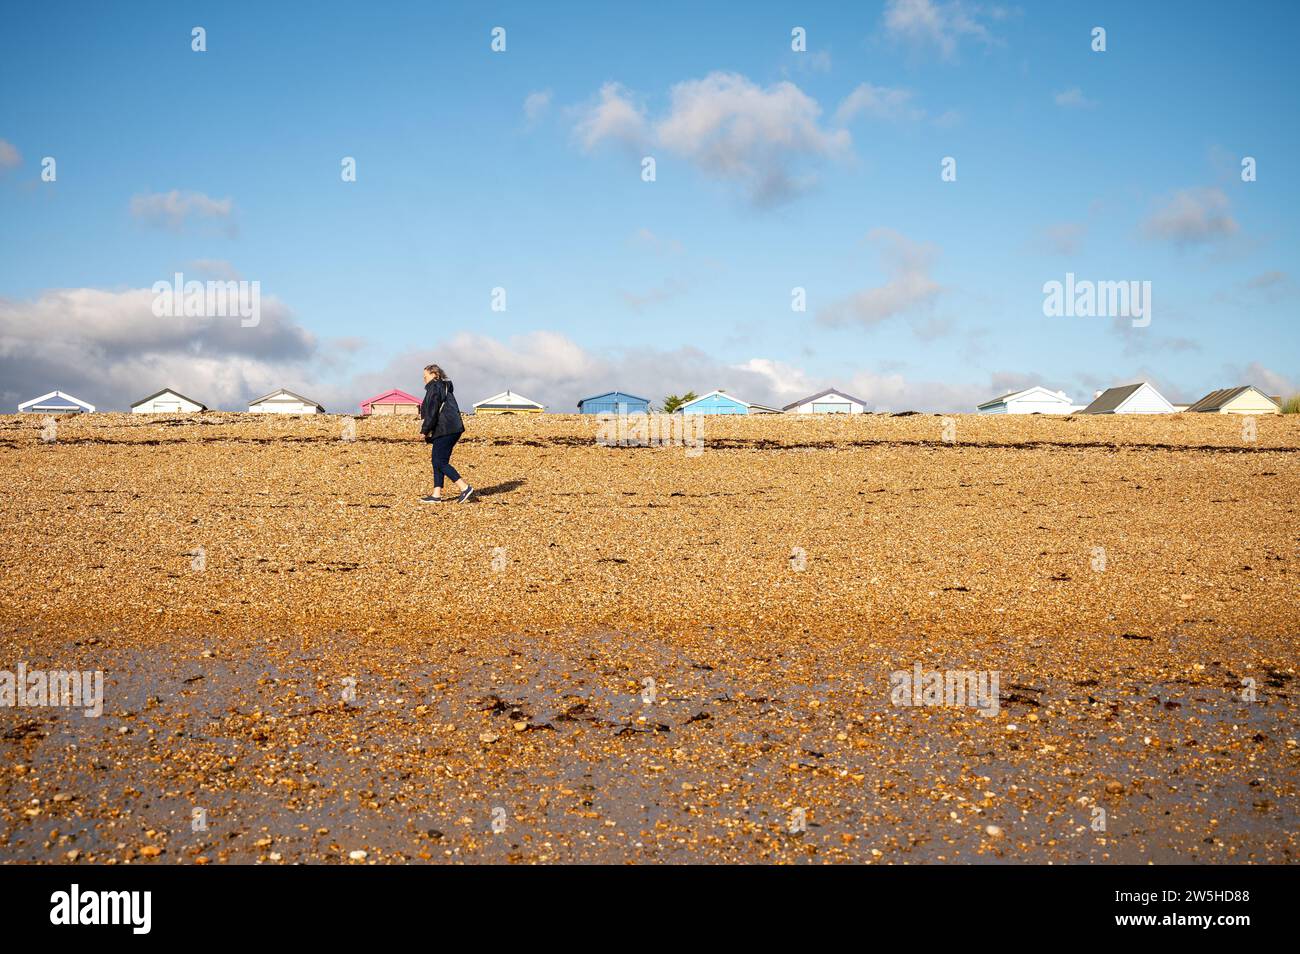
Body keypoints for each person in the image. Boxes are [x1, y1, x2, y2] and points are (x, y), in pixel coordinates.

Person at [419, 364, 473, 503]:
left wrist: (424, 430)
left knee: (439, 461)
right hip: (451, 428)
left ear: (434, 374)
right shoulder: (443, 387)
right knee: (437, 460)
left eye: (425, 375)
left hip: (446, 429)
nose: (423, 378)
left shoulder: (435, 387)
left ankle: (464, 487)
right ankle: (436, 494)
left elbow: (432, 410)